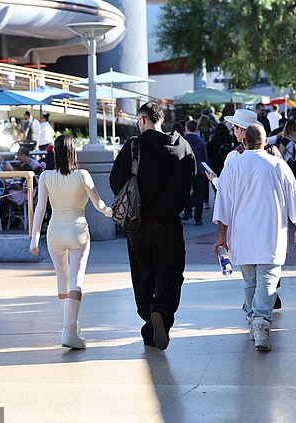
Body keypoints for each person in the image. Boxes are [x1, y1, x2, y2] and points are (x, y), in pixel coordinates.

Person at [213, 124, 296, 351]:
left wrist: (221, 236)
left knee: (250, 281)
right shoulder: (278, 164)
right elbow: (294, 199)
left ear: (244, 141)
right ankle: (261, 324)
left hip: (242, 234)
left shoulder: (233, 164)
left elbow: (223, 204)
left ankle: (254, 320)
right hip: (271, 232)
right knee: (267, 280)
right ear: (266, 142)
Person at [110, 102, 196, 350]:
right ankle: (162, 315)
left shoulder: (134, 146)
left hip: (138, 224)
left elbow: (116, 181)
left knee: (143, 275)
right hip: (169, 223)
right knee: (170, 273)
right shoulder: (182, 146)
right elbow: (190, 180)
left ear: (143, 120)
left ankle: (150, 321)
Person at [29, 135, 112, 349]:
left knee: (62, 279)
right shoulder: (82, 175)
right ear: (74, 152)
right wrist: (112, 213)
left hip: (54, 232)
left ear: (55, 153)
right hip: (78, 230)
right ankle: (69, 330)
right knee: (77, 279)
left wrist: (34, 238)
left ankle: (70, 326)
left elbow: (40, 208)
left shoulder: (45, 176)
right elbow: (99, 204)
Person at [182, 119, 208, 225]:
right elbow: (204, 157)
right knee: (199, 194)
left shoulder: (183, 141)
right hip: (199, 170)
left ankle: (188, 211)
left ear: (186, 128)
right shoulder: (200, 141)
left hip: (186, 170)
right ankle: (198, 217)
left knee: (186, 192)